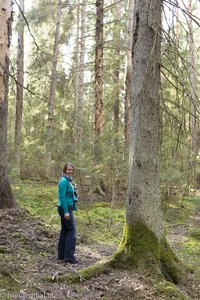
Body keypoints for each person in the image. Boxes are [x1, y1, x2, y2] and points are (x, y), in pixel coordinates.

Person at [57, 162, 79, 264]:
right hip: (65, 208)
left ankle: (62, 255)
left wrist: (74, 189)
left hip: (67, 207)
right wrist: (66, 212)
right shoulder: (63, 181)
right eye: (68, 169)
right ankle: (69, 257)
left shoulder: (68, 180)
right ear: (64, 170)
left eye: (71, 169)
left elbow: (69, 194)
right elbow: (62, 197)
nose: (70, 171)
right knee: (72, 232)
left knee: (65, 231)